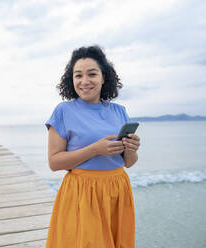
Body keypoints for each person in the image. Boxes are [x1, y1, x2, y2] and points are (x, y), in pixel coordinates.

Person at [45, 45, 141, 248]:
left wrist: (131, 149)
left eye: (92, 74)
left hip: (118, 188)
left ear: (103, 77)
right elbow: (54, 162)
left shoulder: (119, 111)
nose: (84, 81)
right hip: (83, 192)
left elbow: (128, 163)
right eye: (78, 75)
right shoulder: (63, 111)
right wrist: (94, 150)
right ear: (71, 79)